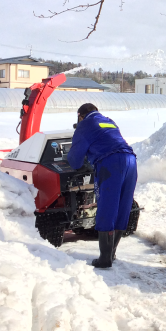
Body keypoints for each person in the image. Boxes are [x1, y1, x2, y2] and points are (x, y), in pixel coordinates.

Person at [67, 103, 137, 269]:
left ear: (80, 116)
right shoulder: (109, 121)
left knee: (107, 206)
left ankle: (105, 259)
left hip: (111, 163)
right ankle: (111, 253)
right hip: (131, 161)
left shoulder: (84, 125)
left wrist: (80, 162)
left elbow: (75, 160)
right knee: (122, 206)